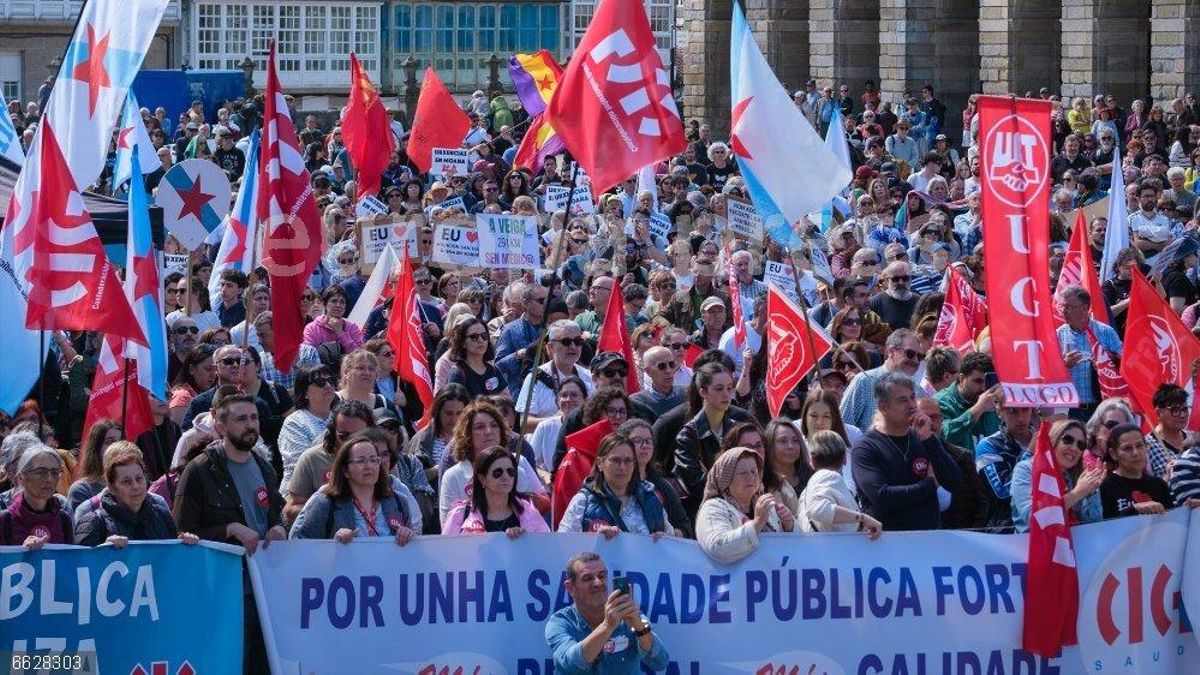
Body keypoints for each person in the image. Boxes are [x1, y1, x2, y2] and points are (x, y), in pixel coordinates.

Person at [172, 393, 285, 673]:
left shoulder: (264, 467)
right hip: (225, 589)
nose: (250, 425)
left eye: (254, 417)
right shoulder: (200, 470)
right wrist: (229, 529)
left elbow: (275, 515)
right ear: (221, 427)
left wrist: (279, 527)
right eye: (241, 419)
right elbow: (182, 533)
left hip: (265, 585)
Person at [852, 372, 963, 531]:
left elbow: (955, 482)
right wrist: (929, 485)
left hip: (927, 541)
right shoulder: (866, 447)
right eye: (903, 400)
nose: (911, 405)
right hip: (887, 544)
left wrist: (930, 439)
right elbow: (882, 496)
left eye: (912, 397)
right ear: (883, 407)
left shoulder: (924, 438)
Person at [545, 552, 669, 674]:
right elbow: (571, 663)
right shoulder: (560, 622)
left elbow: (660, 662)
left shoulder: (627, 613)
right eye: (588, 578)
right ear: (571, 588)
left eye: (602, 576)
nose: (598, 583)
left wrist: (639, 628)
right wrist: (607, 626)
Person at [289, 432, 417, 544]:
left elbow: (412, 554)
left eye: (374, 460)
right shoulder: (325, 503)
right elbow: (299, 544)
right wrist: (332, 545)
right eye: (360, 461)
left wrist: (409, 536)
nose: (369, 466)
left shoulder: (399, 501)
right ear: (345, 470)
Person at [438, 400, 545, 526]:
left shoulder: (518, 465)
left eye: (494, 425)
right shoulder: (453, 476)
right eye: (480, 427)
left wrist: (526, 499)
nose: (489, 431)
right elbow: (448, 530)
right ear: (467, 434)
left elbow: (541, 509)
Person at [74, 442, 200, 546]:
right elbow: (81, 567)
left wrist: (184, 542)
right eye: (126, 481)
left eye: (139, 478)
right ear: (112, 488)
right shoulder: (93, 522)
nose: (135, 486)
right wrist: (102, 551)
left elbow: (171, 559)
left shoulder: (162, 515)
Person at [672, 362, 752, 515]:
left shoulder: (737, 429)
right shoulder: (687, 435)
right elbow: (696, 483)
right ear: (703, 392)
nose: (726, 394)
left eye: (729, 388)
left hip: (741, 509)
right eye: (719, 389)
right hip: (705, 512)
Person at [558, 431, 672, 538]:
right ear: (600, 463)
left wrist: (665, 541)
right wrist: (595, 541)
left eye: (628, 461)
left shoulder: (651, 498)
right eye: (615, 460)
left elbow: (672, 541)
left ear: (634, 465)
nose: (622, 467)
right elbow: (564, 548)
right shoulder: (583, 502)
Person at [695, 447, 795, 564]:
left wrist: (789, 525)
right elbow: (717, 547)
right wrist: (756, 524)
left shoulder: (766, 506)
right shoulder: (713, 508)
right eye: (743, 473)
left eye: (754, 471)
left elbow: (800, 550)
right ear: (725, 479)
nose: (751, 477)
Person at [283, 400, 374, 524]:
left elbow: (394, 502)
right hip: (327, 540)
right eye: (344, 436)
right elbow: (290, 511)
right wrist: (330, 512)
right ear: (332, 433)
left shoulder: (381, 458)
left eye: (359, 436)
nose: (352, 443)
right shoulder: (312, 458)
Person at [1010, 419, 1105, 533]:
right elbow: (1034, 519)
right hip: (1030, 547)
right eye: (1068, 440)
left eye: (1081, 445)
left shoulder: (1070, 477)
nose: (1074, 448)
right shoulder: (1025, 469)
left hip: (1068, 546)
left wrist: (1091, 491)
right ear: (1052, 440)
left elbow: (1093, 524)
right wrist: (1077, 493)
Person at [443, 445, 550, 536]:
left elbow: (544, 549)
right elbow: (446, 554)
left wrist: (524, 540)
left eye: (510, 472)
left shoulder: (529, 511)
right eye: (497, 473)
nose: (505, 477)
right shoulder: (460, 515)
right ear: (482, 479)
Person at [798, 430, 882, 536]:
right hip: (832, 551)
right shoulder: (828, 476)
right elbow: (818, 509)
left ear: (812, 460)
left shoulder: (808, 490)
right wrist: (862, 518)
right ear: (844, 458)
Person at [974, 399, 1034, 532]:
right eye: (1012, 410)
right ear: (999, 411)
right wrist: (1030, 453)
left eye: (1025, 409)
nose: (1020, 418)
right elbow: (1001, 492)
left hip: (1048, 525)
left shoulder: (1049, 440)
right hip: (1007, 531)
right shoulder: (988, 445)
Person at [1, 444, 73, 548]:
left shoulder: (64, 520)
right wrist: (22, 553)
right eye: (40, 471)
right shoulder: (5, 521)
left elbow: (70, 560)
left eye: (54, 472)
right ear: (21, 477)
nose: (49, 478)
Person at [277, 365, 336, 491]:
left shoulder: (340, 418)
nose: (328, 386)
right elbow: (300, 464)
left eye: (330, 381)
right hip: (300, 494)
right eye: (320, 382)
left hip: (335, 487)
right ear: (305, 393)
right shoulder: (294, 422)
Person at [1099, 423, 1174, 519]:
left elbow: (1172, 522)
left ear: (1146, 447)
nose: (1135, 453)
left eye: (1139, 446)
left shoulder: (1159, 485)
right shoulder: (1105, 486)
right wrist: (1135, 509)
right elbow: (1102, 526)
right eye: (1127, 448)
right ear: (1113, 454)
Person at [934, 351, 1000, 453]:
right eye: (977, 381)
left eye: (986, 382)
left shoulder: (993, 402)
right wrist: (977, 409)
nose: (983, 388)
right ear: (962, 378)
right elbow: (943, 436)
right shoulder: (941, 402)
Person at [67, 419, 123, 510]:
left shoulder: (134, 483)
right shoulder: (82, 490)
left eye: (120, 441)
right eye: (109, 442)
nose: (117, 446)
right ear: (96, 449)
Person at [1145, 383, 1189, 479]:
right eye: (1175, 410)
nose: (1182, 415)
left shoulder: (1193, 439)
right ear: (1158, 412)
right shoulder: (1146, 446)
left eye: (1185, 409)